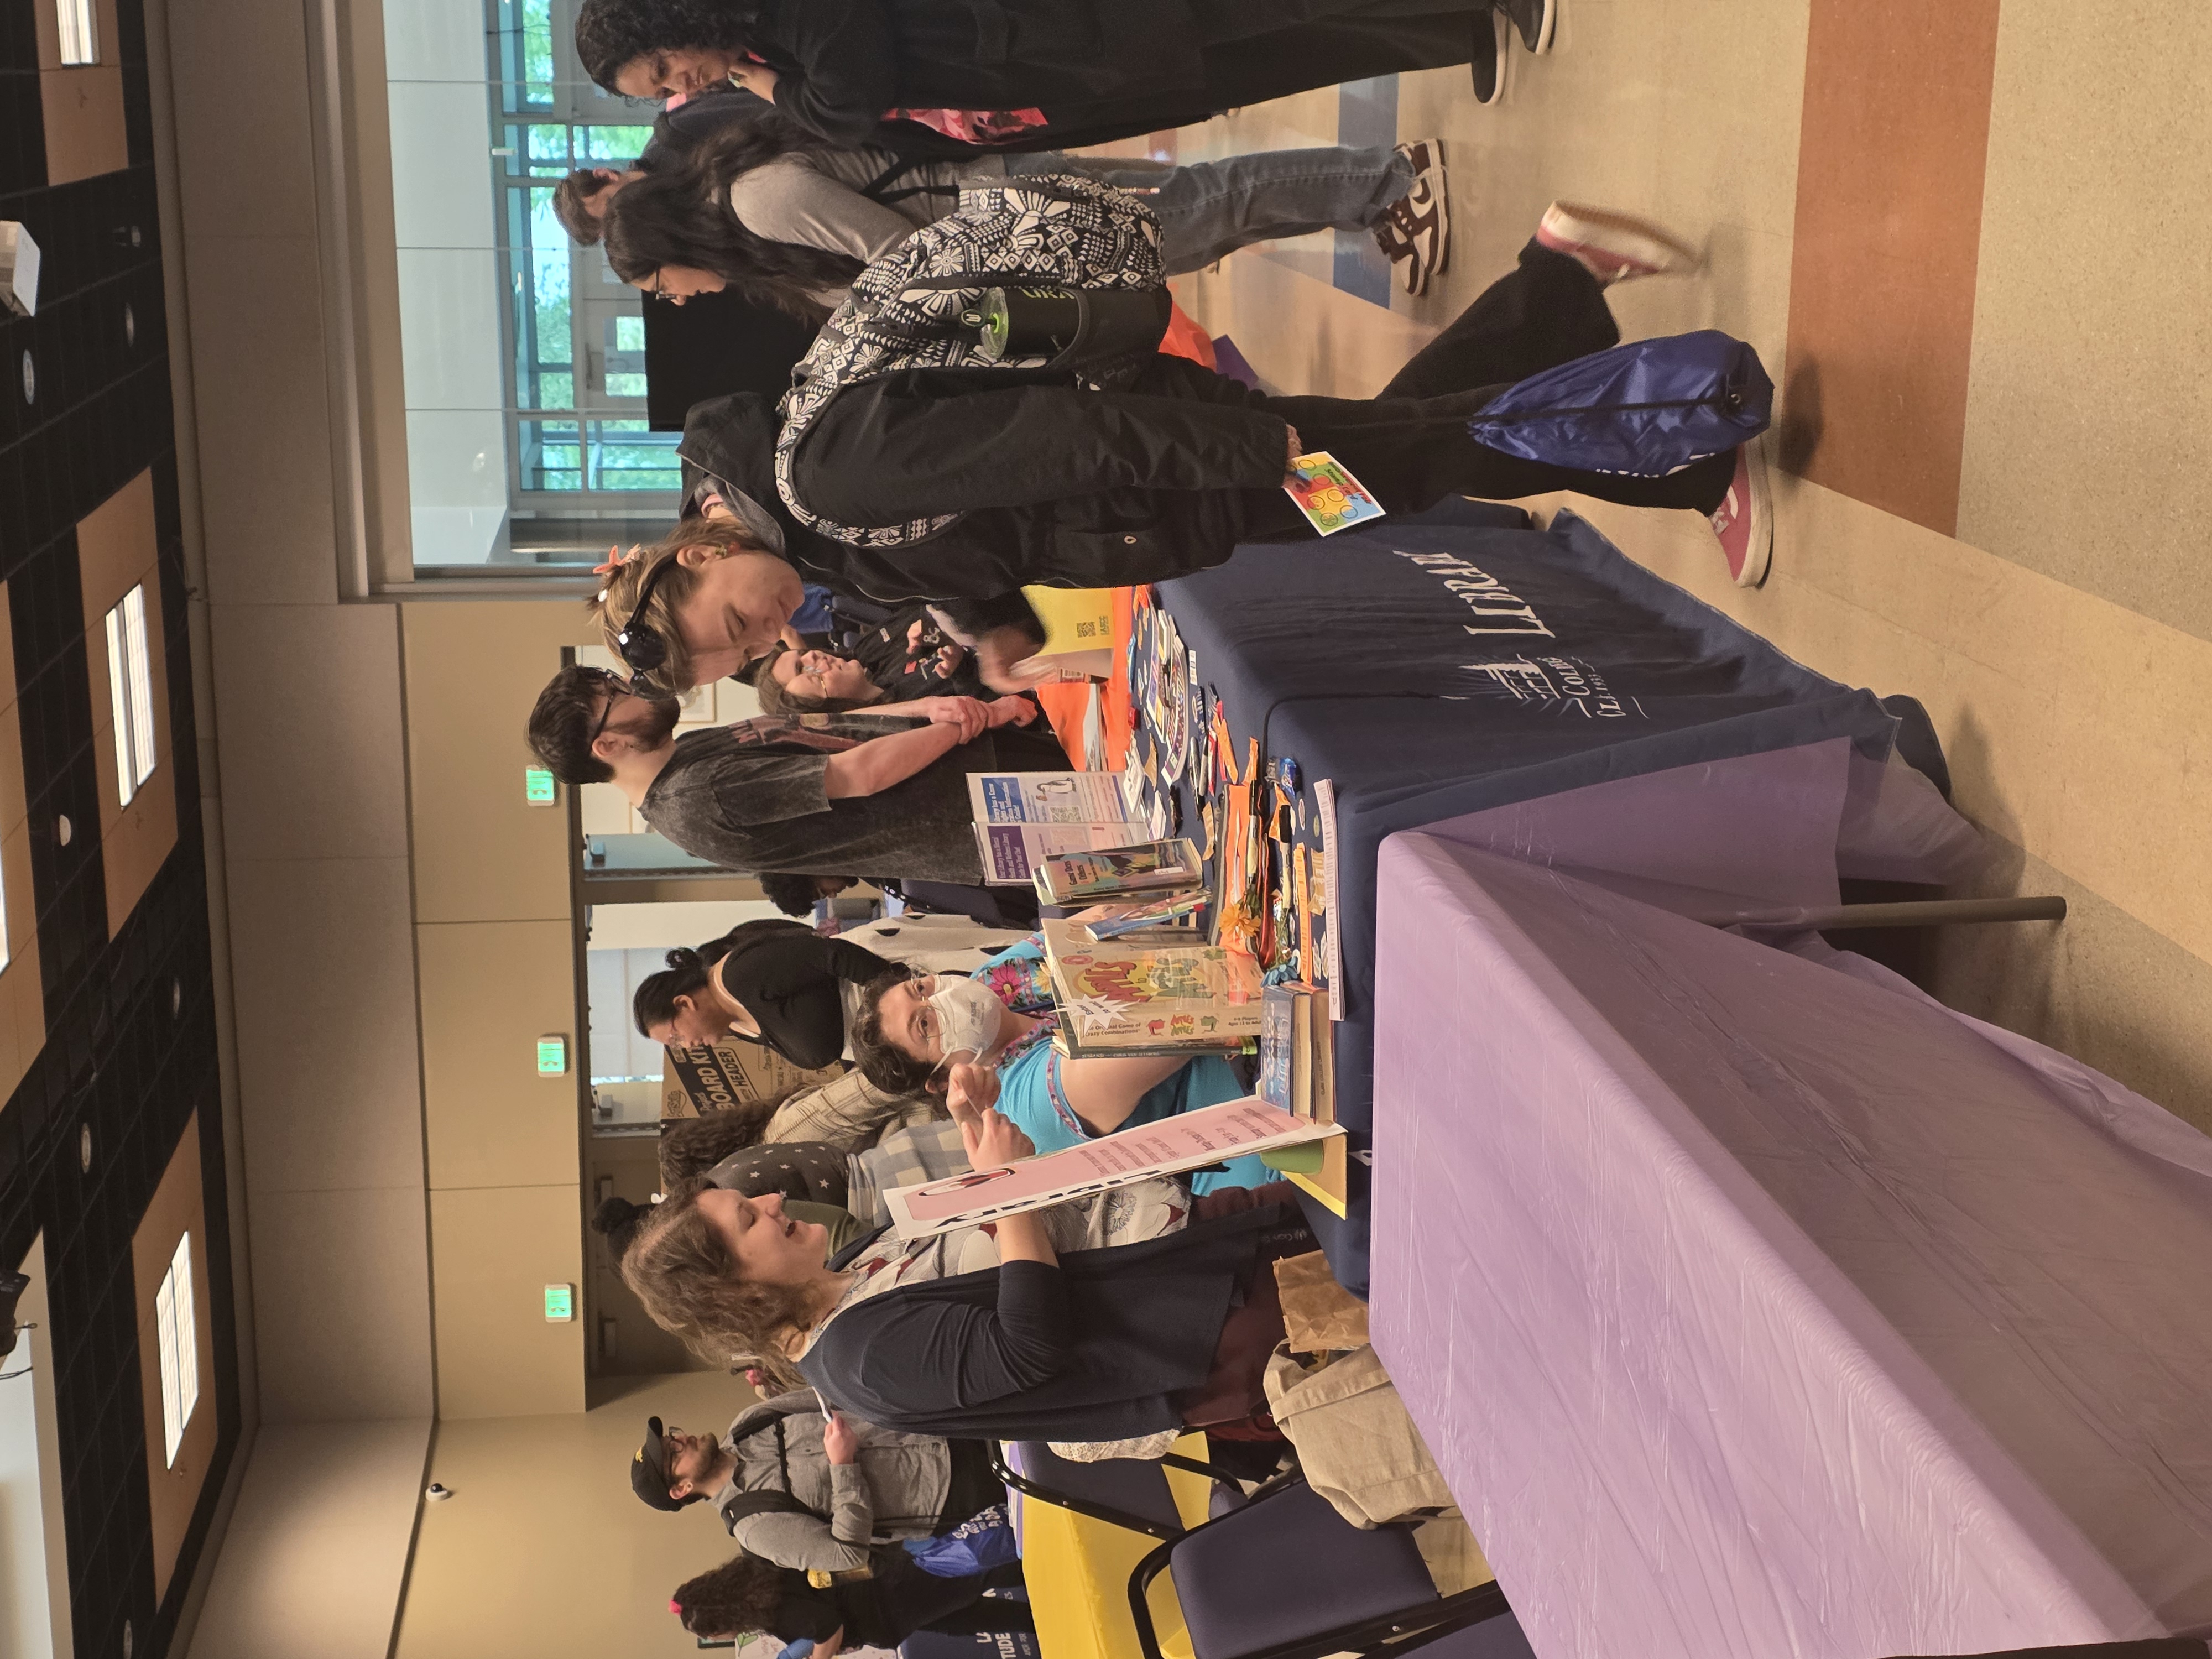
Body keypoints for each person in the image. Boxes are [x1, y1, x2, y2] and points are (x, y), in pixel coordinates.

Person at [780, 200, 1778, 604]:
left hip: (1194, 466)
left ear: (701, 549)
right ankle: (1558, 281)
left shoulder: (822, 478)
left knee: (1427, 450)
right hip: (1189, 469)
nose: (747, 646)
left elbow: (1062, 440)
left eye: (719, 634)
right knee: (1413, 443)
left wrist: (1246, 453)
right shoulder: (802, 463)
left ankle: (1689, 444)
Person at [617, 1105, 1314, 1441]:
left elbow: (1007, 1233)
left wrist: (983, 1145)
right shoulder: (860, 1361)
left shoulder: (844, 1271)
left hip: (1191, 1243)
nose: (771, 1202)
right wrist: (1001, 1187)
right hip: (1211, 1322)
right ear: (737, 1291)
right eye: (749, 1220)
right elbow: (1028, 1347)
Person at [602, 122, 1452, 313]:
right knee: (1199, 226)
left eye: (659, 285)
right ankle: (1362, 201)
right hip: (1010, 221)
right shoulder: (753, 232)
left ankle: (1386, 176)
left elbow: (905, 251)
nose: (675, 298)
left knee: (1199, 209)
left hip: (1009, 208)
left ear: (670, 244)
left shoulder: (756, 200)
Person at [575, 0, 1516, 154]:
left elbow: (848, 107)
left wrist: (768, 88)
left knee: (1266, 11)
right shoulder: (759, 49)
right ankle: (1452, 28)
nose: (679, 86)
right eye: (659, 90)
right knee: (1268, 61)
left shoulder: (773, 27)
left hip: (1056, 27)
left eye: (662, 67)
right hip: (1050, 71)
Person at [526, 655, 1061, 884]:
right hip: (986, 813)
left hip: (971, 762)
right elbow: (857, 774)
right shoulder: (696, 799)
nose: (634, 688)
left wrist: (931, 709)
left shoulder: (685, 754)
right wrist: (968, 721)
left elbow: (829, 725)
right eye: (617, 695)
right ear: (609, 745)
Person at [847, 944, 1271, 1193]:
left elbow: (1111, 919)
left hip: (1251, 1014)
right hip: (1276, 1111)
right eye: (926, 1025)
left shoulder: (993, 984)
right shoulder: (1033, 1102)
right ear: (941, 1078)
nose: (941, 1000)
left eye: (921, 988)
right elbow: (1196, 1021)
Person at [629, 1391, 1006, 1572]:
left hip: (941, 1421)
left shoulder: (751, 1420)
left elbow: (834, 1395)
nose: (680, 1440)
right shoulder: (755, 1528)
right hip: (947, 1493)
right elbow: (848, 1554)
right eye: (673, 1454)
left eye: (672, 1437)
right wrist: (843, 1467)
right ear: (680, 1489)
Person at [669, 1541, 1032, 1650]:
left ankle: (1044, 1553)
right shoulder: (762, 1574)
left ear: (723, 1622)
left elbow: (827, 1625)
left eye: (714, 1634)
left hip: (894, 1601)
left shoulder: (776, 1615)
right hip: (888, 1597)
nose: (718, 1639)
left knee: (981, 1577)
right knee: (975, 1615)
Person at [634, 918, 890, 1070]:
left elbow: (834, 956)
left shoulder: (739, 977)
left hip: (897, 980)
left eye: (676, 1037)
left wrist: (899, 993)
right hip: (894, 1028)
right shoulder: (736, 1025)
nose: (687, 1047)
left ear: (683, 1003)